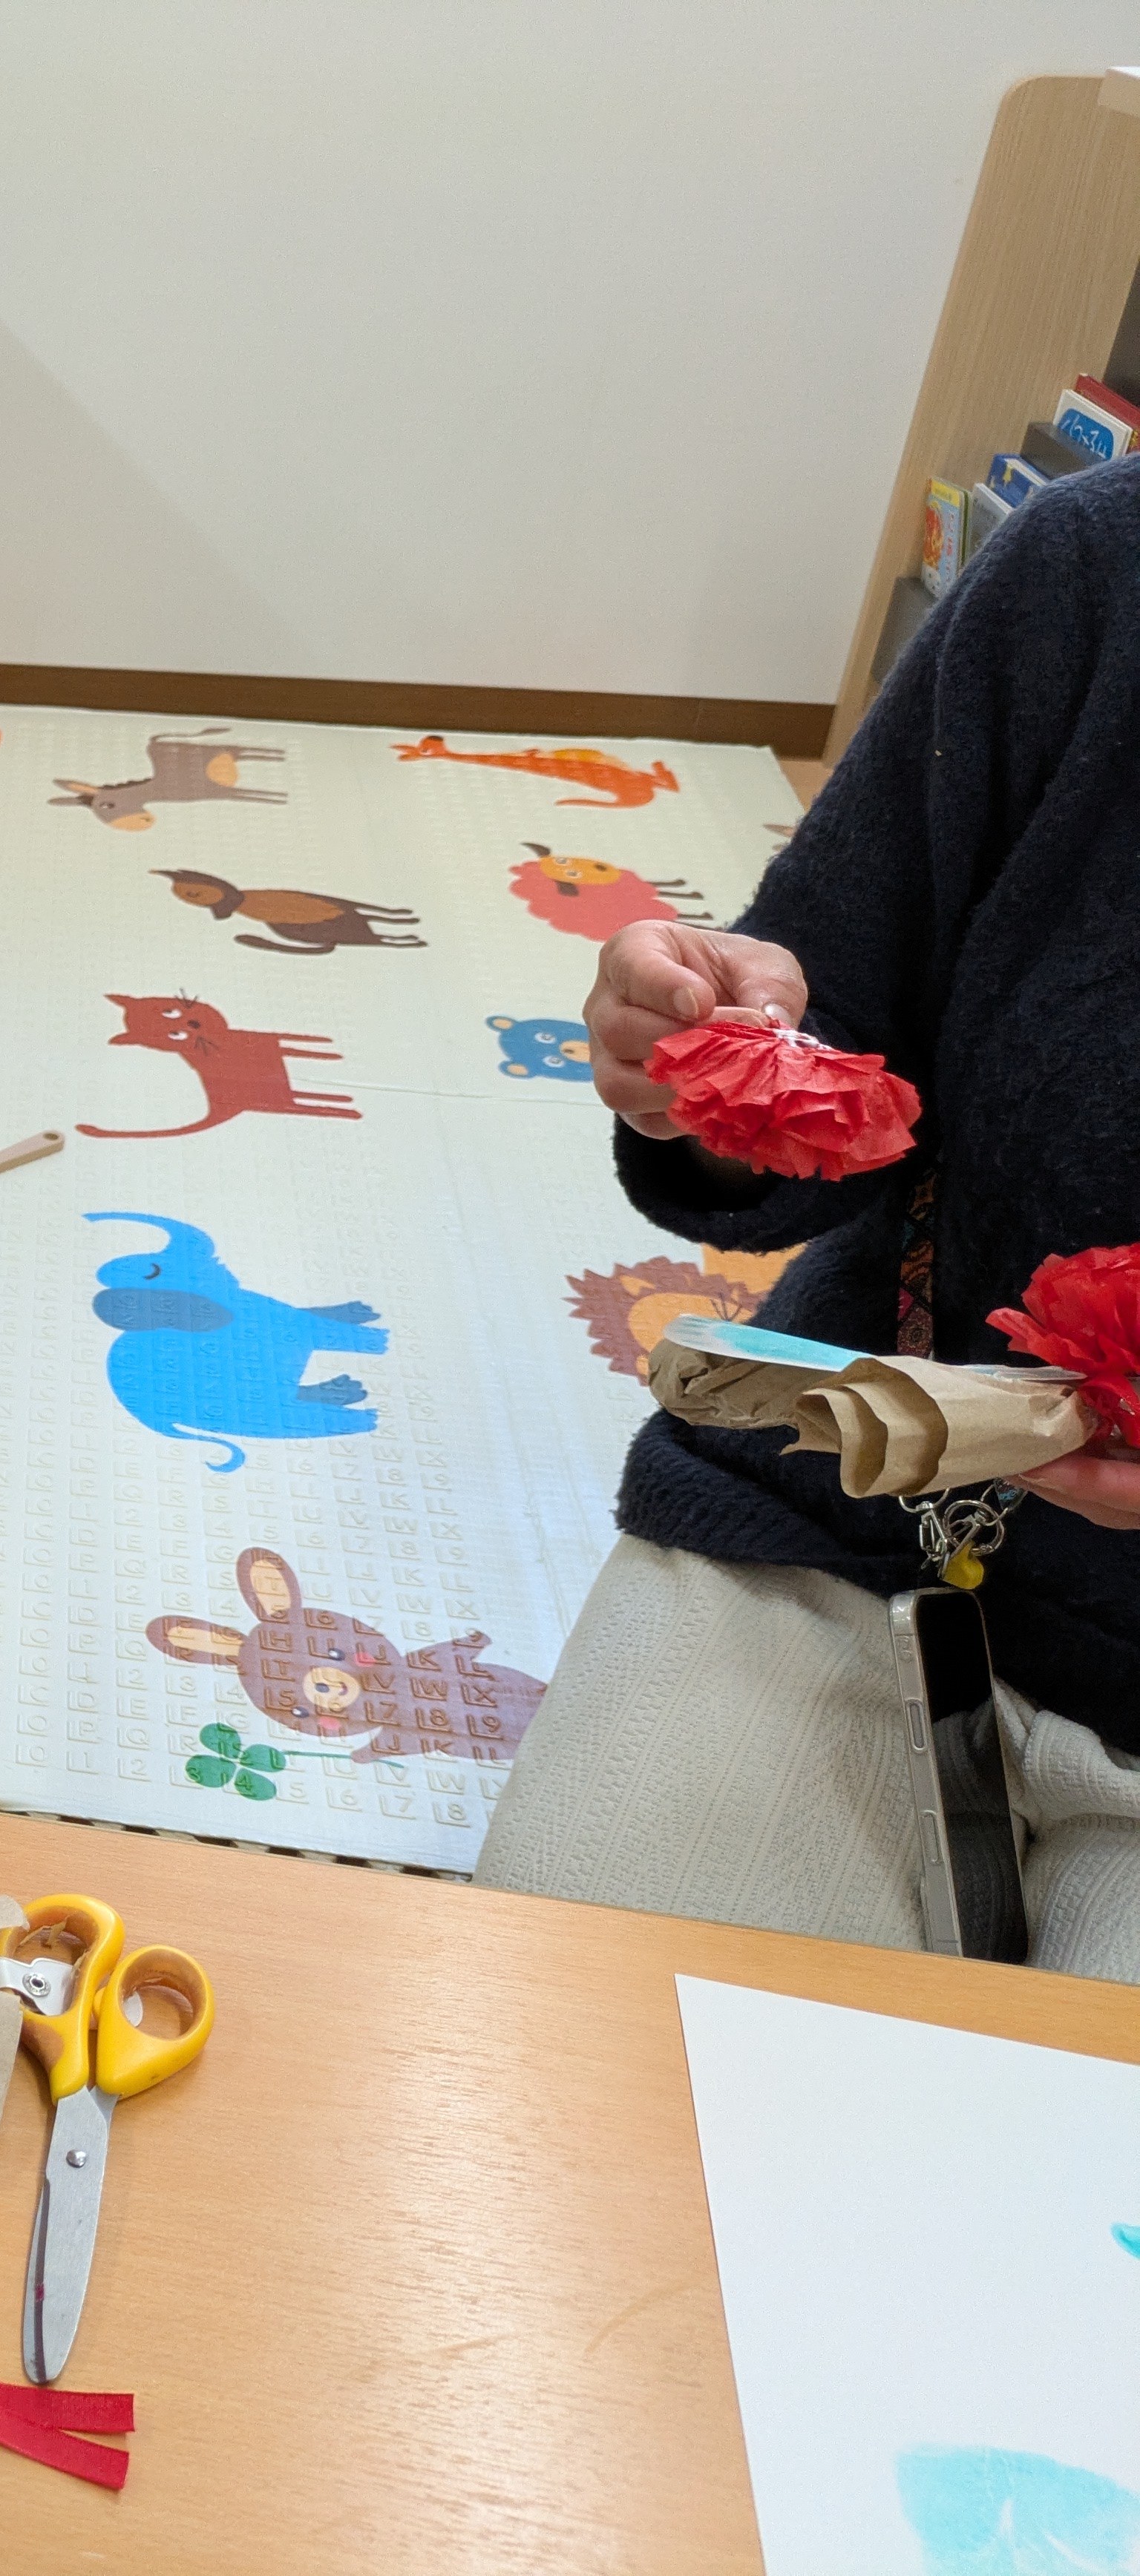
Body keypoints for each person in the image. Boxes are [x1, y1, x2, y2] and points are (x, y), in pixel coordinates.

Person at [473, 456, 1140, 1980]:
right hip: (860, 1518)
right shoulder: (1090, 570)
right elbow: (826, 1011)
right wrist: (706, 1055)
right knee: (591, 2049)